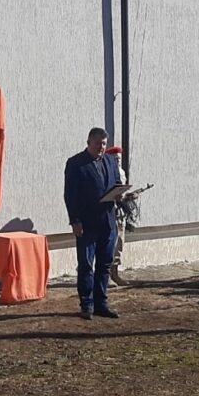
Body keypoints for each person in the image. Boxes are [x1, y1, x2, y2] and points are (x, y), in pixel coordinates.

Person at [64, 127, 122, 319]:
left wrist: (120, 195)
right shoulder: (76, 164)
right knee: (87, 264)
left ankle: (101, 303)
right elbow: (70, 196)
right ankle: (86, 305)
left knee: (105, 264)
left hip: (107, 221)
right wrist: (75, 221)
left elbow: (114, 185)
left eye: (104, 144)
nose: (101, 148)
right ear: (88, 142)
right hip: (87, 223)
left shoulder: (110, 161)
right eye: (97, 144)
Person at [104, 146, 129, 287]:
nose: (117, 161)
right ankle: (105, 275)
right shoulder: (106, 172)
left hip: (120, 212)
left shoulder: (122, 173)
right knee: (109, 243)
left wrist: (127, 196)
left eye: (119, 158)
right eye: (115, 158)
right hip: (110, 210)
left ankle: (115, 273)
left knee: (119, 242)